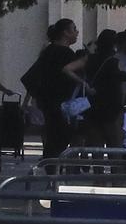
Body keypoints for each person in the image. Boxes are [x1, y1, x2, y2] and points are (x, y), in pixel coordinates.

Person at [19, 18, 85, 158]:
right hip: (59, 103)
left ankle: (51, 166)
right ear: (65, 33)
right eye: (73, 29)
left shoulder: (49, 51)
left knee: (54, 137)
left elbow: (31, 77)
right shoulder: (64, 54)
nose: (76, 32)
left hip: (49, 104)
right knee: (60, 137)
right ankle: (51, 167)